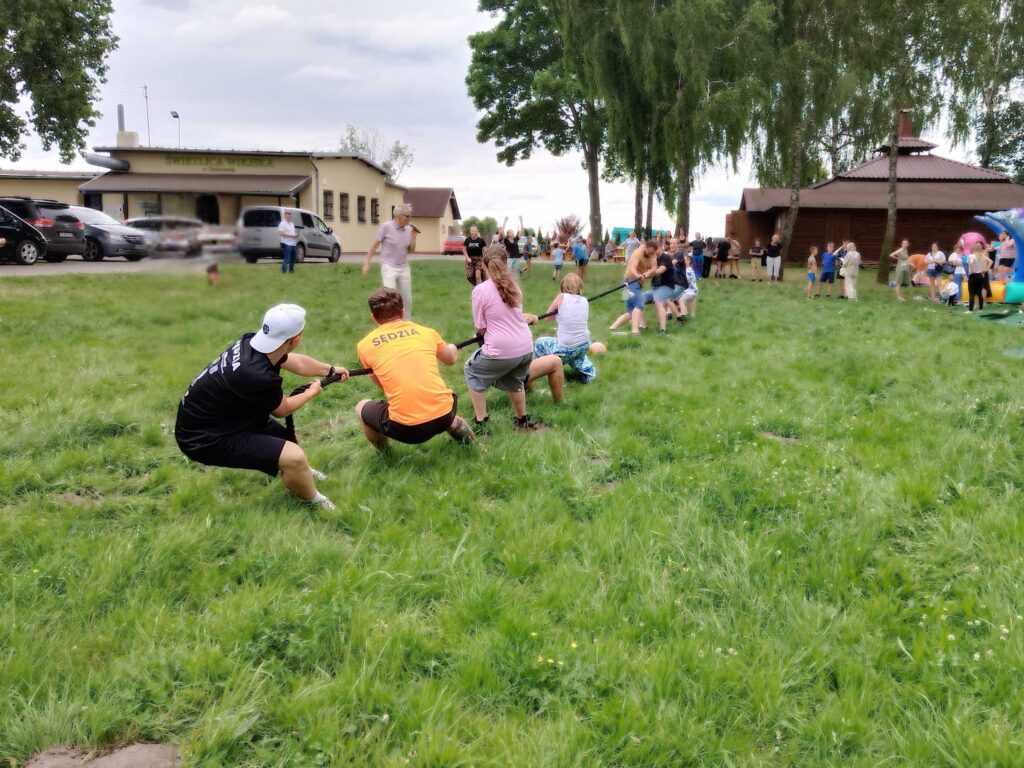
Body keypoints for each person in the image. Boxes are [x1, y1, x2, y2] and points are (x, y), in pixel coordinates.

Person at [174, 303, 346, 510]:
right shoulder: (257, 376)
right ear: (295, 339)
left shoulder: (253, 344)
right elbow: (283, 409)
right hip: (204, 437)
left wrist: (330, 370)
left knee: (290, 440)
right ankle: (314, 500)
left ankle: (302, 473)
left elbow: (293, 361)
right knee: (294, 456)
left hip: (225, 417)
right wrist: (312, 392)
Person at [354, 288, 473, 448]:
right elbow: (450, 359)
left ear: (374, 318)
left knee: (360, 407)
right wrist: (451, 347)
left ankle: (385, 454)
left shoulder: (364, 345)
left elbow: (382, 386)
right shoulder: (427, 333)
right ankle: (476, 448)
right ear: (402, 312)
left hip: (408, 430)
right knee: (442, 408)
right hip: (446, 414)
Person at [464, 247, 545, 431]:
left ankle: (480, 422)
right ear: (506, 263)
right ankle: (522, 419)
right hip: (525, 348)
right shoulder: (513, 285)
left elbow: (481, 327)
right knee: (514, 381)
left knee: (472, 371)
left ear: (484, 266)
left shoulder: (480, 290)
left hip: (502, 349)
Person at [533, 273, 597, 383]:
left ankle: (536, 371)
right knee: (577, 357)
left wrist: (558, 310)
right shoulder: (584, 300)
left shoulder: (561, 297)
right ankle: (589, 373)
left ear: (563, 286)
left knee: (540, 342)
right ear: (579, 287)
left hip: (566, 348)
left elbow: (547, 318)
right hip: (584, 344)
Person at [364, 203, 416, 317]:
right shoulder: (386, 227)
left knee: (407, 300)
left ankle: (406, 324)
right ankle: (388, 323)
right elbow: (374, 246)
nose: (409, 219)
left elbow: (411, 250)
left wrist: (413, 236)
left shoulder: (409, 230)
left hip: (403, 267)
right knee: (390, 298)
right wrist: (367, 264)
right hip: (389, 267)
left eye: (410, 216)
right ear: (398, 215)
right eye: (407, 216)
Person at [609, 239, 656, 335]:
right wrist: (637, 275)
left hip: (637, 284)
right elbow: (632, 268)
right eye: (649, 252)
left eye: (652, 253)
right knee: (639, 304)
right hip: (630, 281)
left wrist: (649, 272)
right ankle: (635, 331)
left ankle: (612, 329)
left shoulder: (652, 254)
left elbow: (654, 268)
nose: (650, 254)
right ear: (646, 247)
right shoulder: (637, 253)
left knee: (631, 312)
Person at [966, 241, 993, 312]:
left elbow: (971, 262)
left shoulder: (971, 256)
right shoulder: (983, 256)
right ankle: (980, 309)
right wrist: (985, 270)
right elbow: (991, 262)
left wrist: (971, 271)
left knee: (971, 293)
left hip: (973, 275)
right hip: (980, 275)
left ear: (973, 250)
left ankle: (970, 310)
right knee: (979, 293)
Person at [502, 216, 524, 282]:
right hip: (510, 258)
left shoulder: (515, 239)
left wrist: (521, 220)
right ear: (508, 234)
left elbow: (522, 230)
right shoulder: (506, 240)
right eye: (511, 232)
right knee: (509, 273)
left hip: (516, 258)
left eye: (513, 232)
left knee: (515, 273)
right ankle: (507, 284)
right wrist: (505, 221)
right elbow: (502, 231)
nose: (512, 233)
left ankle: (515, 284)